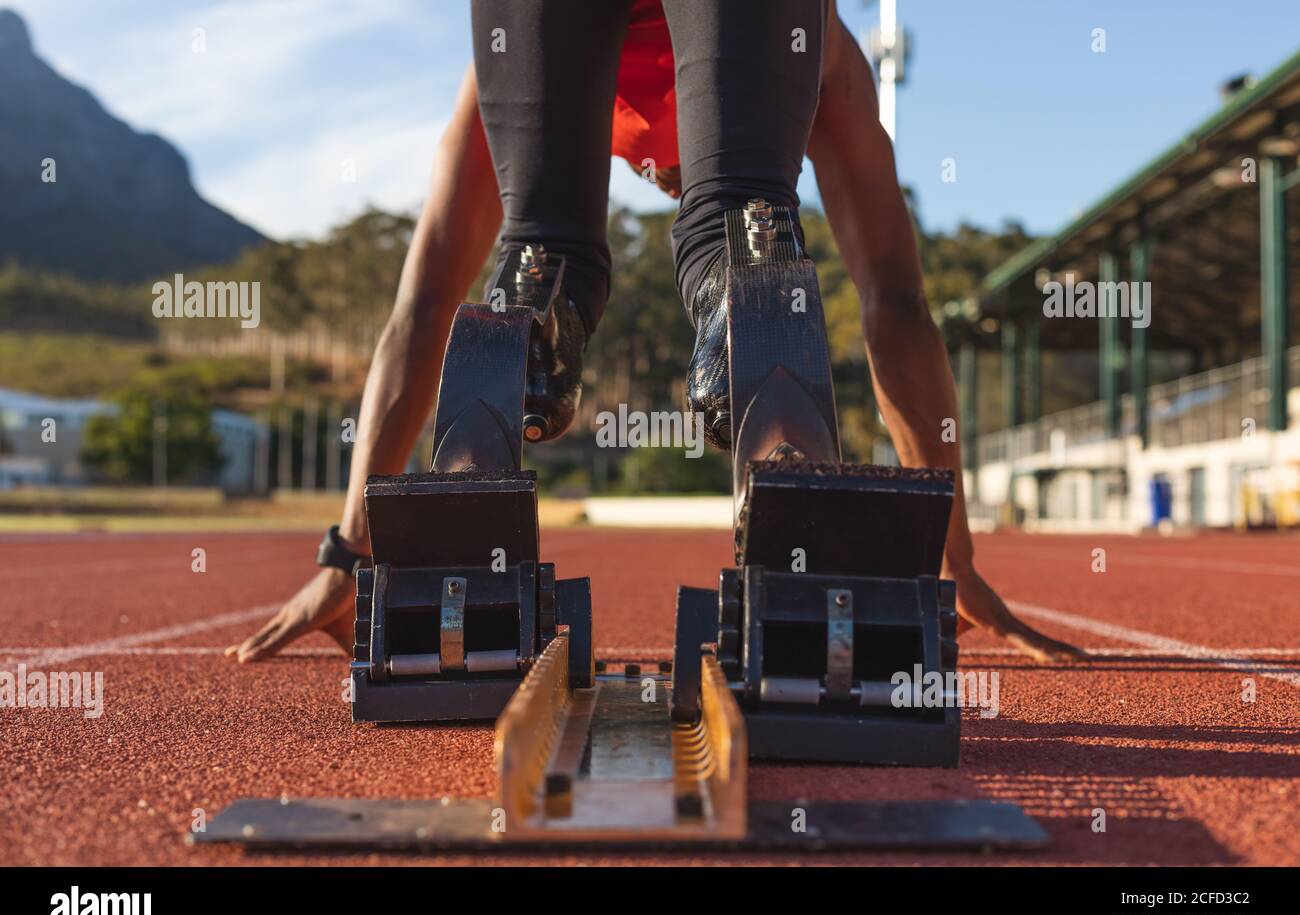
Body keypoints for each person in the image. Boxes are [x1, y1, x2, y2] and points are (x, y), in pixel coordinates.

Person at [227, 0, 1084, 666]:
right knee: (745, 238)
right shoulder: (816, 58)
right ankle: (741, 289)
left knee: (537, 264)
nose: (660, 177)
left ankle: (559, 297)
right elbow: (894, 299)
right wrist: (952, 551)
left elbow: (425, 309)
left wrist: (350, 550)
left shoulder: (512, 81)